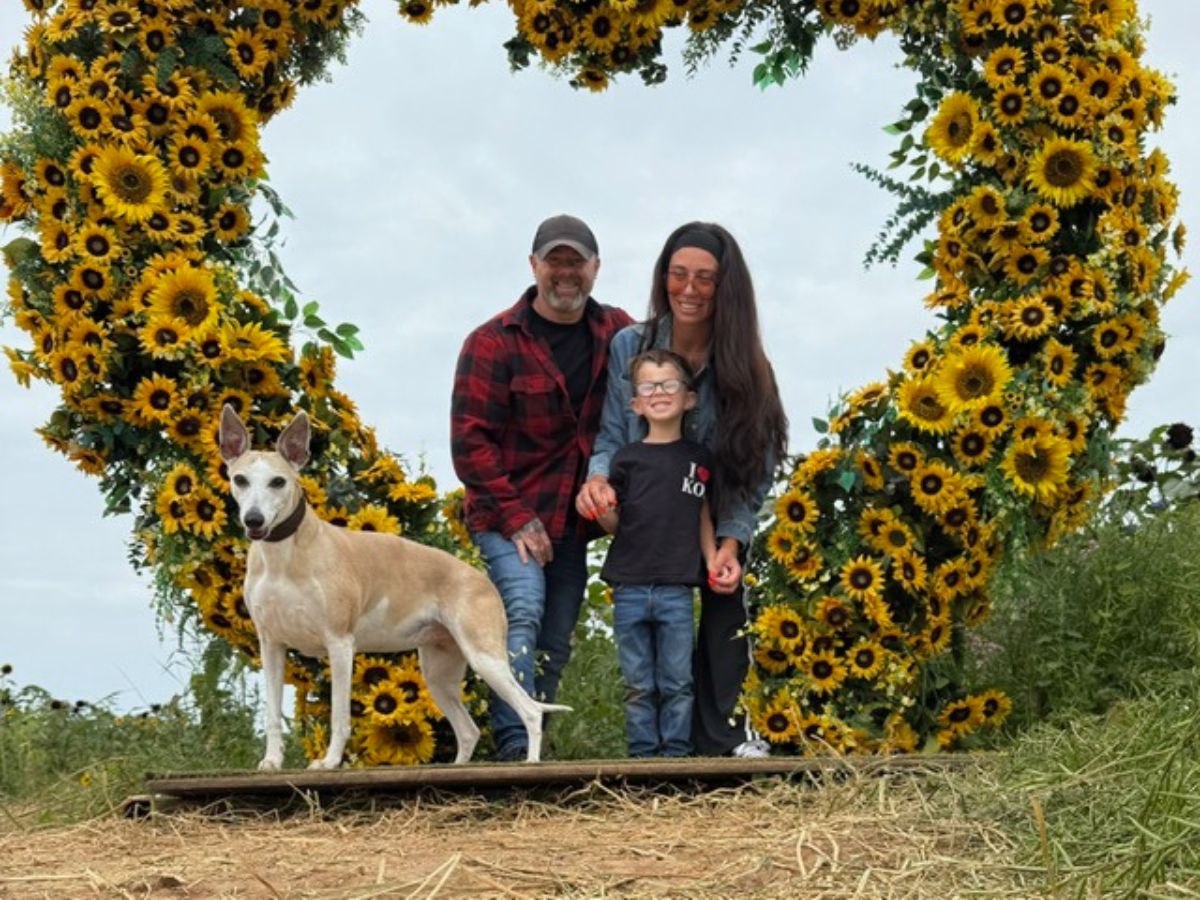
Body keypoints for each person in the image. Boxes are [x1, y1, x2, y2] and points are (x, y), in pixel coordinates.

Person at [576, 222, 788, 758]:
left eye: (705, 279)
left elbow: (752, 471)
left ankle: (724, 744)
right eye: (678, 275)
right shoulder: (632, 346)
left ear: (726, 287)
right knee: (649, 652)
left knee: (727, 614)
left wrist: (731, 542)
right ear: (663, 277)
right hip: (652, 521)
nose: (689, 289)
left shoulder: (748, 366)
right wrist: (598, 481)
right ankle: (653, 755)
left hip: (715, 517)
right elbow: (611, 434)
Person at [451, 214, 633, 762]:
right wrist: (516, 518)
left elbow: (671, 366)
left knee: (555, 638)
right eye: (554, 261)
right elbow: (469, 444)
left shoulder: (620, 334)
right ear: (534, 267)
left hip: (572, 520)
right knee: (521, 610)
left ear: (596, 269)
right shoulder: (492, 343)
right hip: (507, 512)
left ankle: (533, 747)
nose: (565, 273)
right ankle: (512, 751)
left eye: (576, 262)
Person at [592, 349, 716, 758]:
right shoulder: (626, 459)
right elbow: (615, 525)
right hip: (628, 586)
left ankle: (675, 757)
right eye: (648, 386)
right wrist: (605, 510)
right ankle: (643, 759)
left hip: (677, 589)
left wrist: (713, 557)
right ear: (636, 404)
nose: (659, 392)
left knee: (677, 680)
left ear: (689, 398)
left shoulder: (698, 460)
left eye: (669, 384)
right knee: (639, 683)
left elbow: (702, 515)